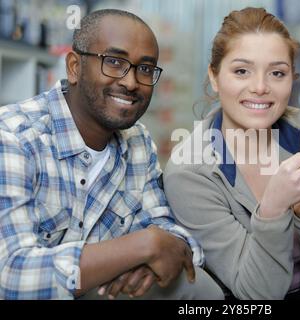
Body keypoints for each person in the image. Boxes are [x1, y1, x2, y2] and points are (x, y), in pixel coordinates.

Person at [0, 9, 223, 300]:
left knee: (199, 289)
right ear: (74, 67)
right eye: (114, 62)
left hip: (105, 289)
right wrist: (142, 247)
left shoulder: (138, 142)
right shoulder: (14, 136)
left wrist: (152, 256)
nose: (131, 82)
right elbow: (10, 277)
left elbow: (170, 234)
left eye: (145, 68)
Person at [164, 7, 300, 300]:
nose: (260, 87)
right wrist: (274, 207)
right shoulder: (189, 173)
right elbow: (257, 293)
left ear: (292, 79)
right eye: (241, 71)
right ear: (215, 77)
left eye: (277, 73)